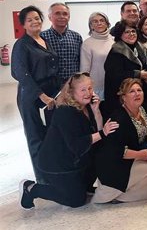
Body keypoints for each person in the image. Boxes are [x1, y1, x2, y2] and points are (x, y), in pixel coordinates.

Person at [19, 73, 118, 209]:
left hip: (75, 160)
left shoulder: (88, 106)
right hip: (57, 164)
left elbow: (97, 135)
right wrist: (102, 133)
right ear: (72, 92)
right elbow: (77, 145)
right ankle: (31, 188)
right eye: (83, 89)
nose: (88, 93)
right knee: (76, 200)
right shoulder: (65, 112)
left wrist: (96, 112)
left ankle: (85, 185)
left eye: (90, 88)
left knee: (100, 151)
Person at [93, 78, 147, 203]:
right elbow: (113, 150)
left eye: (139, 90)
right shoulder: (118, 118)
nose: (137, 94)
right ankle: (120, 196)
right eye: (132, 91)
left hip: (138, 149)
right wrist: (140, 155)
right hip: (117, 161)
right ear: (123, 97)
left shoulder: (141, 109)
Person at [11, 6, 60, 183]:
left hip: (50, 93)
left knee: (52, 133)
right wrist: (41, 95)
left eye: (37, 18)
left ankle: (54, 172)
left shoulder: (44, 39)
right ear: (23, 24)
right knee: (36, 136)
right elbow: (20, 73)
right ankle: (43, 180)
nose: (35, 22)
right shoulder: (22, 45)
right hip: (31, 96)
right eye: (30, 19)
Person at [103, 22, 147, 119]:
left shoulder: (141, 47)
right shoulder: (116, 51)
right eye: (127, 32)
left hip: (139, 95)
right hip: (120, 98)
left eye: (133, 31)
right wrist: (139, 74)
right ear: (120, 35)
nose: (131, 34)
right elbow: (115, 75)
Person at [41, 2, 83, 83]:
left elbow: (80, 61)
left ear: (69, 17)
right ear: (50, 17)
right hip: (50, 84)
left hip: (73, 84)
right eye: (57, 13)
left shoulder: (76, 37)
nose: (62, 17)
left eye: (65, 14)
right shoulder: (42, 37)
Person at [80, 12, 114, 99]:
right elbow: (85, 70)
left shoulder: (114, 40)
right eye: (95, 21)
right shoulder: (87, 43)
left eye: (102, 20)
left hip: (114, 83)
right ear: (91, 26)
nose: (99, 23)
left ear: (107, 24)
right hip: (97, 87)